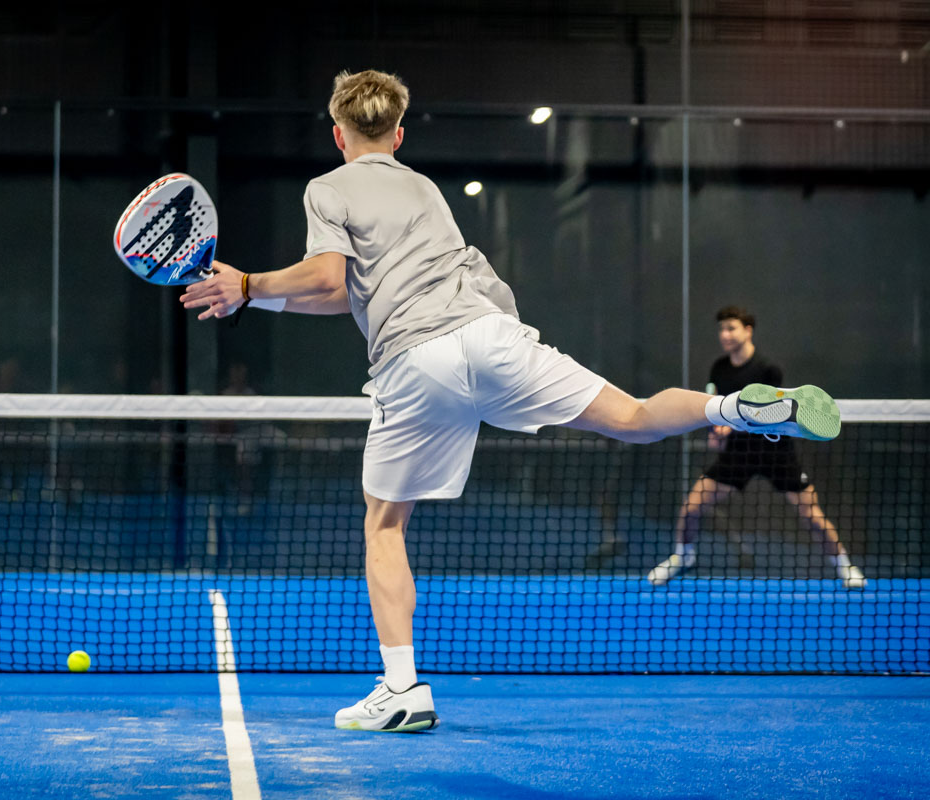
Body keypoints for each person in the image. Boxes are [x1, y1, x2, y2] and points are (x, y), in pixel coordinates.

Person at [180, 70, 842, 732]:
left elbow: (326, 276)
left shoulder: (327, 187)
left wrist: (248, 282)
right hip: (490, 335)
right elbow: (346, 293)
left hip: (417, 361)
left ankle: (402, 689)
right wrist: (252, 297)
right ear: (399, 135)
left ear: (338, 134)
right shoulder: (423, 188)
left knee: (384, 525)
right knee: (636, 417)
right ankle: (735, 408)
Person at [647, 306, 864, 590]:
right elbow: (714, 404)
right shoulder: (719, 368)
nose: (725, 334)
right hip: (737, 453)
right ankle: (682, 556)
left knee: (811, 514)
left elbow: (772, 413)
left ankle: (845, 566)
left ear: (748, 330)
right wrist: (717, 434)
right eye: (722, 329)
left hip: (775, 453)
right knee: (692, 506)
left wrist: (731, 426)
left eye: (731, 328)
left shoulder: (767, 369)